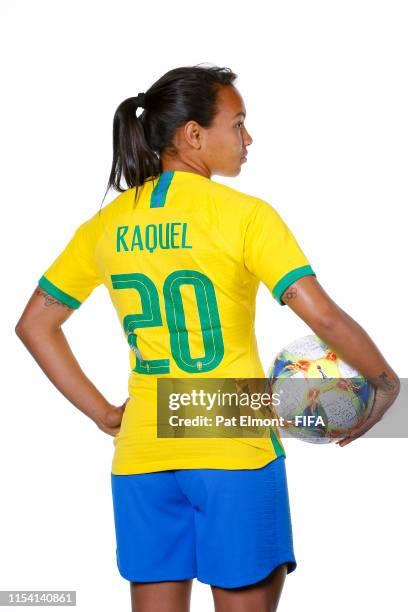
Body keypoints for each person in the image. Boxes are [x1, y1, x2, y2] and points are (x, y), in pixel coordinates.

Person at [15, 64, 400, 612]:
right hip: (231, 439)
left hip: (143, 447)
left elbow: (35, 325)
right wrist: (385, 385)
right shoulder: (245, 216)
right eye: (238, 123)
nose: (248, 139)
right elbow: (326, 320)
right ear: (194, 134)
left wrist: (103, 414)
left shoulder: (106, 224)